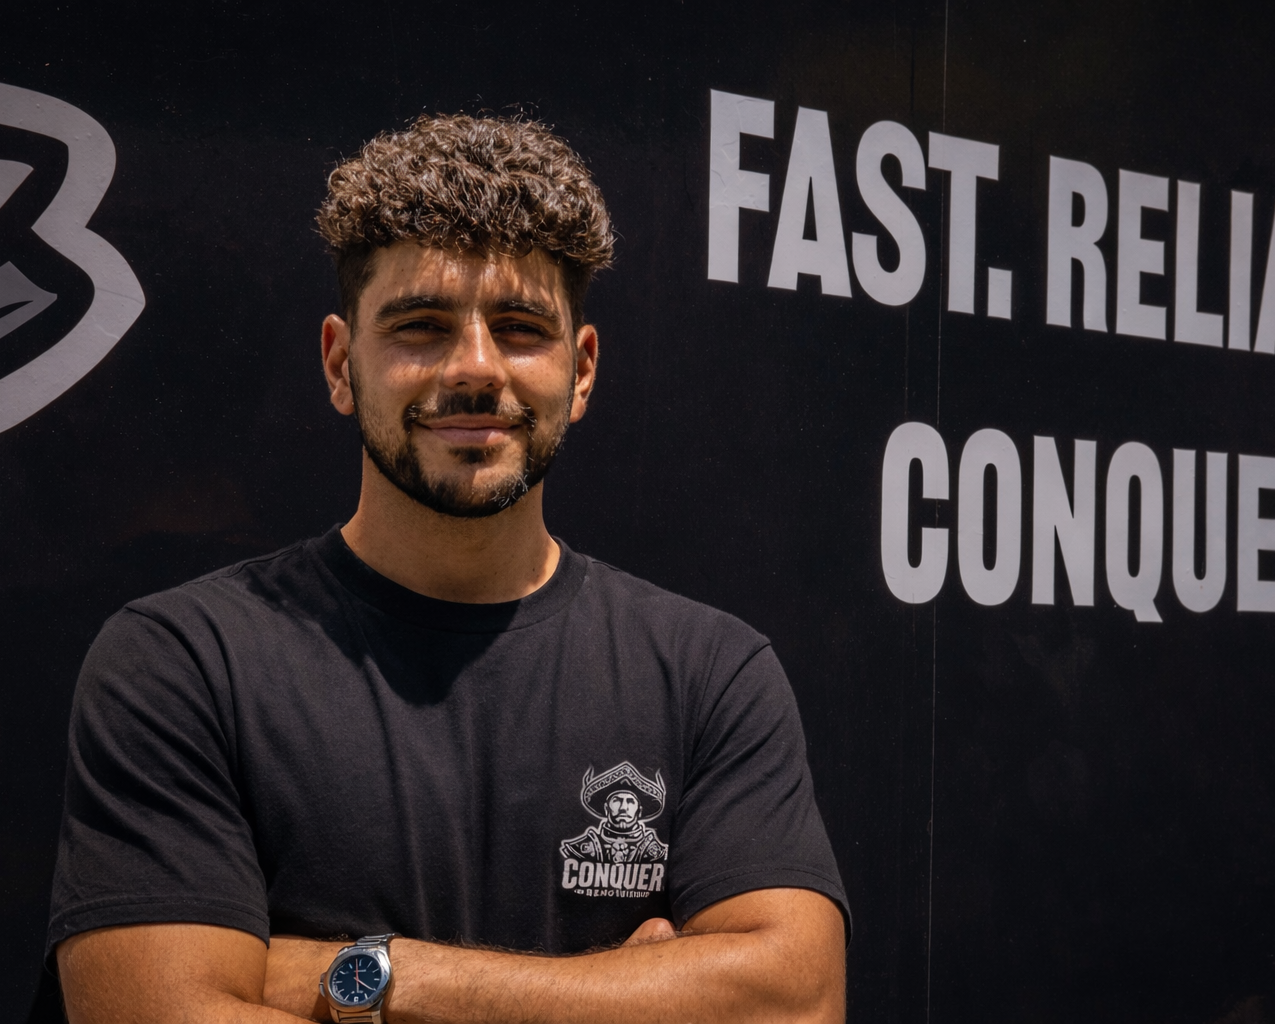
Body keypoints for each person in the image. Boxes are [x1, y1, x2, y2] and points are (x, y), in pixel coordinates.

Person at [47, 112, 849, 1023]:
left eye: (519, 328)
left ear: (582, 372)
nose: (474, 369)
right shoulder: (185, 663)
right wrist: (620, 998)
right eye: (421, 326)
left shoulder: (709, 673)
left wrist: (368, 977)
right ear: (341, 363)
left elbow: (792, 1004)